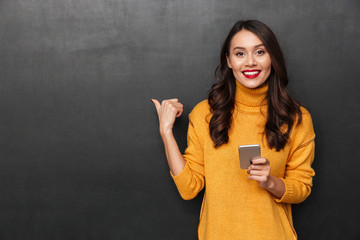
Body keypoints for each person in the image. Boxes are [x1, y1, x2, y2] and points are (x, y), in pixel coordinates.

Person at [151, 20, 315, 240]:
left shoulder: (297, 118)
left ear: (272, 58)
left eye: (259, 52)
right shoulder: (204, 114)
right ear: (228, 61)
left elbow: (302, 187)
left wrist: (270, 182)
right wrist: (166, 132)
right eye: (240, 54)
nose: (250, 62)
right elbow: (189, 188)